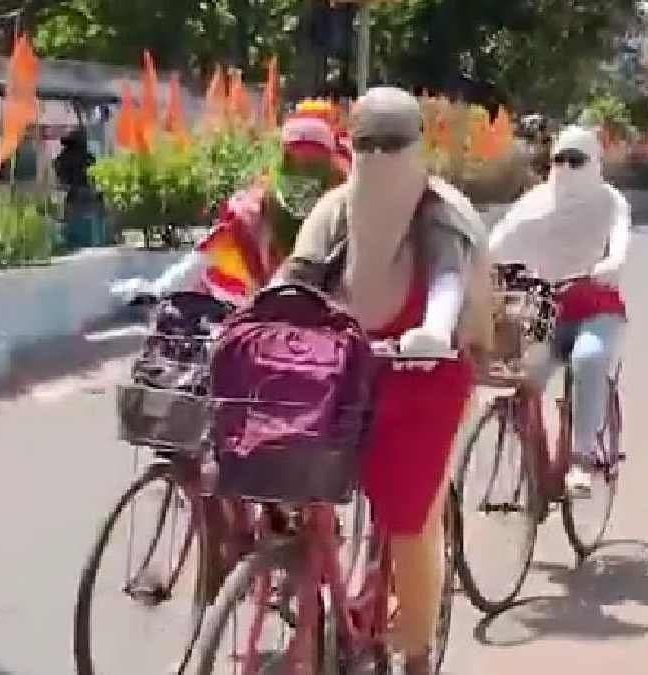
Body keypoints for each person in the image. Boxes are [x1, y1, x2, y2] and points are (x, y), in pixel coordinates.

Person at [286, 87, 493, 674]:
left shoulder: (439, 211)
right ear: (351, 146)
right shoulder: (335, 209)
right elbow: (297, 274)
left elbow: (451, 277)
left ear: (416, 147)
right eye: (367, 145)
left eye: (392, 145)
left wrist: (435, 328)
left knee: (408, 520)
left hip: (428, 370)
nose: (379, 158)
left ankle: (418, 653)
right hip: (349, 365)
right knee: (291, 474)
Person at [489, 125, 631, 498]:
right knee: (519, 376)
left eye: (576, 160)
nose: (567, 168)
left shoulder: (609, 201)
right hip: (544, 307)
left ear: (594, 162)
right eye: (560, 159)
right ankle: (540, 466)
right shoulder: (536, 201)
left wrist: (612, 263)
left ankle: (582, 458)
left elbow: (620, 238)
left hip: (594, 305)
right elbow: (501, 237)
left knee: (588, 358)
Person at [109, 103, 348, 306]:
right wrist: (159, 288)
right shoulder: (253, 208)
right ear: (280, 162)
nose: (302, 174)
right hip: (263, 321)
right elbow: (209, 253)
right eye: (293, 162)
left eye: (312, 163)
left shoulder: (345, 207)